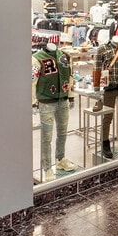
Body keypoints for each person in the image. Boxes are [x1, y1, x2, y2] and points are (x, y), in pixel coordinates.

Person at [31, 42, 76, 181]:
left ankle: (60, 159)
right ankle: (47, 167)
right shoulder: (36, 58)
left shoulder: (65, 55)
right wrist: (32, 102)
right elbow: (32, 81)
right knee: (47, 137)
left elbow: (70, 77)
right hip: (46, 102)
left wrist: (71, 96)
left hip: (63, 100)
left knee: (63, 132)